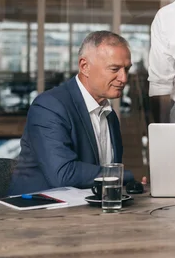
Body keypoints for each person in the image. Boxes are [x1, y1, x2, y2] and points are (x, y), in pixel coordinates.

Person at [8, 31, 135, 195]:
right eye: (114, 69)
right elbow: (63, 174)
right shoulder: (49, 106)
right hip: (37, 211)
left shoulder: (109, 114)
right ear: (84, 67)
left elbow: (102, 174)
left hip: (86, 209)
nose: (123, 78)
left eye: (127, 69)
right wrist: (125, 176)